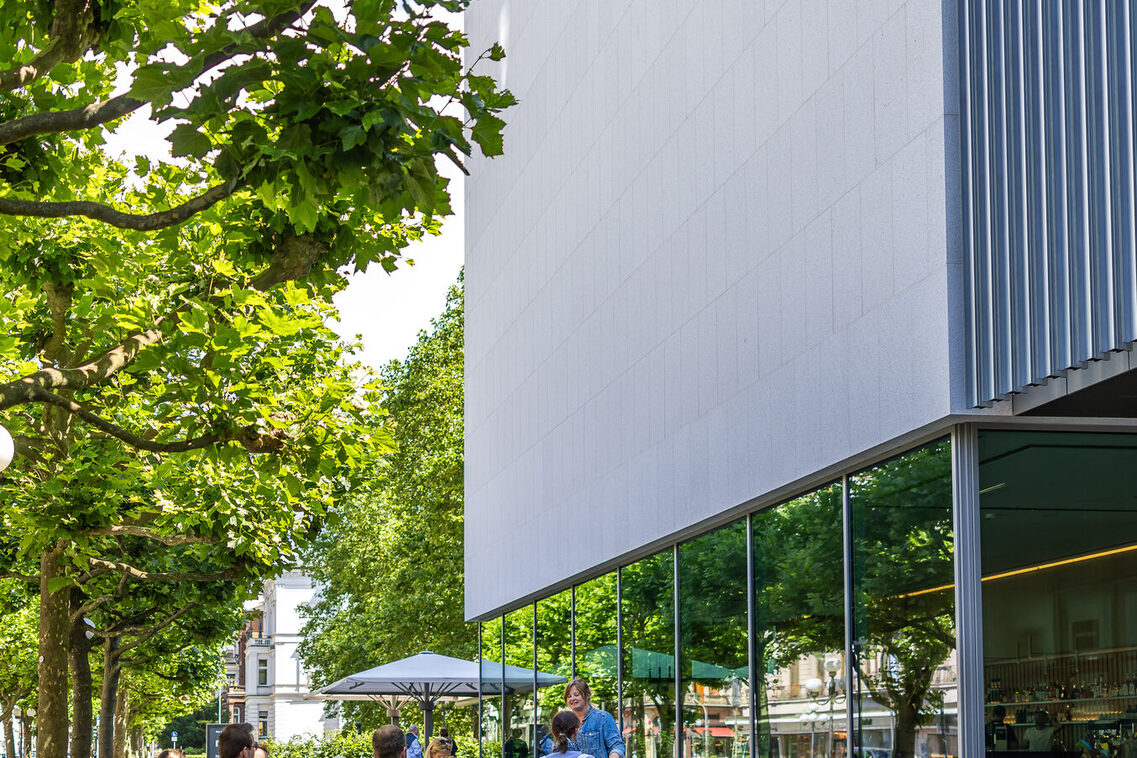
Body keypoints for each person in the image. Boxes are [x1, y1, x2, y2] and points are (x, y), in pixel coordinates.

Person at [561, 678, 624, 758]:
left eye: (576, 695)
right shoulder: (565, 722)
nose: (572, 698)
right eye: (569, 696)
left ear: (587, 695)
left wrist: (614, 755)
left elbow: (617, 745)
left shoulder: (603, 718)